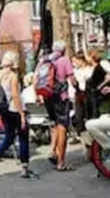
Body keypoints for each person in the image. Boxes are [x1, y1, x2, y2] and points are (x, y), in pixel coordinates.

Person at [0, 52, 34, 179]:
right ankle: (24, 167)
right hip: (14, 110)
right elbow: (16, 96)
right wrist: (22, 114)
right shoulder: (13, 76)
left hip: (3, 110)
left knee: (9, 136)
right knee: (23, 136)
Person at [38, 41, 77, 171]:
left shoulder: (44, 59)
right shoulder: (65, 60)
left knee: (54, 125)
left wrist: (38, 95)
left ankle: (53, 151)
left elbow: (36, 79)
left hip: (48, 97)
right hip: (61, 97)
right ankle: (61, 162)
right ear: (64, 50)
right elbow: (72, 80)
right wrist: (79, 88)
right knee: (62, 128)